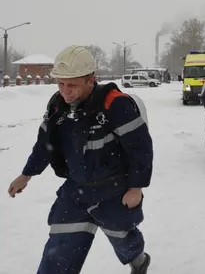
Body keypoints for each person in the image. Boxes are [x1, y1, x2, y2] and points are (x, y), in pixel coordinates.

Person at [7, 45, 153, 274]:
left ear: (90, 80)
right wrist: (27, 174)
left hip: (113, 190)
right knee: (59, 250)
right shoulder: (58, 107)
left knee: (123, 237)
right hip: (76, 191)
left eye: (72, 85)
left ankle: (139, 262)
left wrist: (136, 187)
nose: (66, 92)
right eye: (61, 84)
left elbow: (140, 148)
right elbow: (45, 144)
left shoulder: (115, 105)